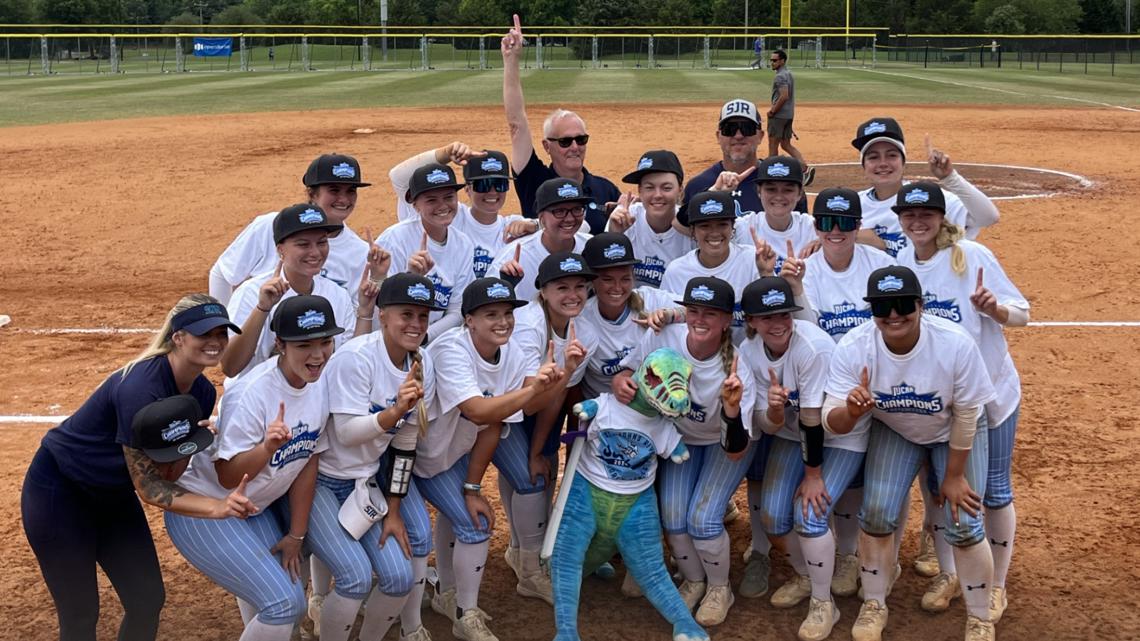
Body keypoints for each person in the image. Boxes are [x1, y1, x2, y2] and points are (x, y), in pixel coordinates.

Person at [22, 296, 252, 641]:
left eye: (222, 333)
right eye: (204, 334)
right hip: (60, 493)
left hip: (112, 493)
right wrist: (217, 507)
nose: (216, 342)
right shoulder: (140, 389)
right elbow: (150, 489)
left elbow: (168, 474)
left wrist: (192, 444)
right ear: (178, 337)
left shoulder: (203, 392)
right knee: (81, 613)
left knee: (147, 598)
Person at [824, 266, 998, 641]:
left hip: (955, 427)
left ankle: (980, 616)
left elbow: (968, 413)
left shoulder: (953, 343)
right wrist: (852, 412)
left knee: (964, 521)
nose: (892, 315)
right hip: (898, 428)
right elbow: (829, 421)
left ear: (920, 305)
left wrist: (953, 476)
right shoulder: (856, 346)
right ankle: (874, 602)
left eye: (903, 305)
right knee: (876, 513)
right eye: (882, 308)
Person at [167, 295, 342, 641]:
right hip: (206, 508)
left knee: (286, 600)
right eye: (304, 344)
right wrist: (267, 447)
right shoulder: (252, 393)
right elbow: (228, 476)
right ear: (279, 344)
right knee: (283, 605)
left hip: (250, 507)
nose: (318, 354)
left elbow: (307, 461)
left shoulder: (320, 382)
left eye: (325, 342)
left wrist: (296, 535)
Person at [892, 182, 1028, 624]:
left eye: (926, 214)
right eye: (909, 215)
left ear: (943, 217)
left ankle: (996, 587)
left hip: (991, 395)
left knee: (993, 490)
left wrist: (995, 309)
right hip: (941, 406)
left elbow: (1022, 313)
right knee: (941, 488)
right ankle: (951, 573)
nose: (917, 221)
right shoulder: (900, 265)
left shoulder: (971, 256)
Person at [418, 277, 564, 641]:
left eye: (507, 313)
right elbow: (478, 410)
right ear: (468, 319)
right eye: (490, 315)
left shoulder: (510, 351)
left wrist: (471, 485)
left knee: (466, 516)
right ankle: (447, 609)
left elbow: (493, 424)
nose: (502, 322)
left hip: (457, 449)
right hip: (422, 454)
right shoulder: (451, 349)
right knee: (463, 527)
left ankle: (456, 602)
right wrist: (533, 388)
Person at [612, 276, 756, 627]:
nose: (700, 319)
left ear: (727, 321)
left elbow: (736, 450)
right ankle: (694, 579)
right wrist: (622, 381)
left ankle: (721, 587)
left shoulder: (736, 368)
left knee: (703, 520)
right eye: (693, 311)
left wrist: (732, 410)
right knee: (673, 518)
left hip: (726, 444)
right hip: (680, 439)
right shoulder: (665, 336)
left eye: (711, 313)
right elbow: (629, 369)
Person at [308, 273, 440, 641]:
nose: (415, 324)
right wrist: (395, 411)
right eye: (406, 314)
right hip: (321, 480)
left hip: (365, 483)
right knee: (355, 577)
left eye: (423, 316)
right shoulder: (356, 358)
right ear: (383, 315)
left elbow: (407, 442)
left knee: (398, 579)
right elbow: (347, 433)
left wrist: (395, 510)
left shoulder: (421, 362)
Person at [739, 277, 865, 641]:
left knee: (809, 516)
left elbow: (813, 419)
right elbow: (763, 423)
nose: (778, 322)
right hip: (792, 435)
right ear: (751, 321)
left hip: (841, 436)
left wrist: (813, 476)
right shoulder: (748, 353)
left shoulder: (812, 347)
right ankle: (808, 574)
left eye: (784, 313)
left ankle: (824, 602)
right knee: (775, 516)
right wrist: (776, 412)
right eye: (767, 317)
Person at [801, 187, 894, 598]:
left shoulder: (881, 265)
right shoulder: (808, 271)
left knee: (881, 485)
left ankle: (877, 558)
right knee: (851, 483)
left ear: (858, 225)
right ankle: (845, 556)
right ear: (815, 226)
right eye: (825, 222)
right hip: (832, 395)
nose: (834, 231)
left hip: (883, 390)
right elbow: (811, 335)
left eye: (843, 222)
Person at [504, 252, 599, 601]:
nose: (573, 294)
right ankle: (529, 571)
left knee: (541, 468)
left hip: (543, 406)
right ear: (542, 290)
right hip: (501, 412)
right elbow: (527, 402)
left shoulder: (584, 331)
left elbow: (555, 400)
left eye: (580, 286)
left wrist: (539, 449)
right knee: (529, 479)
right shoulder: (527, 325)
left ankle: (519, 550)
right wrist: (531, 455)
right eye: (562, 287)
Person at [222, 203, 379, 380]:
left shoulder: (337, 295)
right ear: (280, 249)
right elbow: (230, 367)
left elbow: (349, 365)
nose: (315, 252)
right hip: (257, 401)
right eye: (303, 244)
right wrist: (262, 309)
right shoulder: (251, 293)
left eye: (322, 242)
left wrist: (365, 312)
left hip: (311, 402)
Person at [501, 14, 620, 234]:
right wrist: (512, 61)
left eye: (580, 139)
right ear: (547, 146)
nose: (575, 147)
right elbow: (516, 125)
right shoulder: (534, 180)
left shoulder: (605, 190)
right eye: (565, 141)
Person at [210, 153, 372, 304]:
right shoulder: (269, 226)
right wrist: (225, 326)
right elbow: (223, 274)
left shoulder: (360, 252)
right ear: (312, 193)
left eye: (351, 190)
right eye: (334, 190)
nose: (343, 199)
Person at [851, 118, 999, 257]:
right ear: (863, 165)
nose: (883, 163)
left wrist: (950, 178)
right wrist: (854, 235)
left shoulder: (926, 197)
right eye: (873, 157)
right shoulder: (852, 205)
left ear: (903, 161)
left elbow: (988, 217)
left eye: (891, 155)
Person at [388, 144, 538, 277]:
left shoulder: (514, 225)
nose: (492, 192)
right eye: (483, 184)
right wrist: (445, 153)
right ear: (467, 188)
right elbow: (398, 178)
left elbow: (556, 228)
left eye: (500, 184)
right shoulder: (448, 214)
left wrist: (535, 225)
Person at [377, 163, 477, 344]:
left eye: (449, 197)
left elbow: (456, 310)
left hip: (434, 339)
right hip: (390, 339)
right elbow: (379, 305)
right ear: (415, 205)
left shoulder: (463, 245)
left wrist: (426, 337)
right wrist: (410, 278)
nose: (442, 206)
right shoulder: (395, 239)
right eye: (431, 200)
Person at [488, 177, 593, 302]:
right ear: (541, 218)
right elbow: (486, 304)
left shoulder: (592, 247)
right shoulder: (513, 256)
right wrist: (506, 284)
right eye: (559, 211)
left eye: (576, 209)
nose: (570, 218)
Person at [605, 150, 694, 289]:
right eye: (649, 187)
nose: (657, 195)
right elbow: (604, 276)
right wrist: (614, 236)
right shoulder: (625, 217)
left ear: (680, 190)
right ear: (640, 190)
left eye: (666, 188)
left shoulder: (689, 225)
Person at [730, 155, 818, 274]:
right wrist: (716, 192)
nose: (779, 197)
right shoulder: (744, 227)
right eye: (771, 189)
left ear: (800, 194)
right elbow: (701, 236)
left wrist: (826, 239)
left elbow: (850, 234)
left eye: (788, 190)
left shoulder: (813, 227)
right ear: (759, 191)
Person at [767, 50, 814, 186]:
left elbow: (784, 96)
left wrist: (772, 111)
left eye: (775, 60)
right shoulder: (789, 74)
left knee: (773, 145)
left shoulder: (780, 76)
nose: (772, 63)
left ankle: (772, 174)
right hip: (788, 115)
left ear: (782, 61)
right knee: (786, 144)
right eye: (771, 60)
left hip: (779, 116)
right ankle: (804, 168)